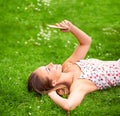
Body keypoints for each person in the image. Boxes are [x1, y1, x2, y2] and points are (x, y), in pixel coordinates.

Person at [27, 20, 120, 111]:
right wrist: (51, 93)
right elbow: (69, 105)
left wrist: (71, 28)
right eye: (48, 69)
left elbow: (86, 43)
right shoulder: (79, 84)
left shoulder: (67, 66)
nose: (50, 64)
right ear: (54, 82)